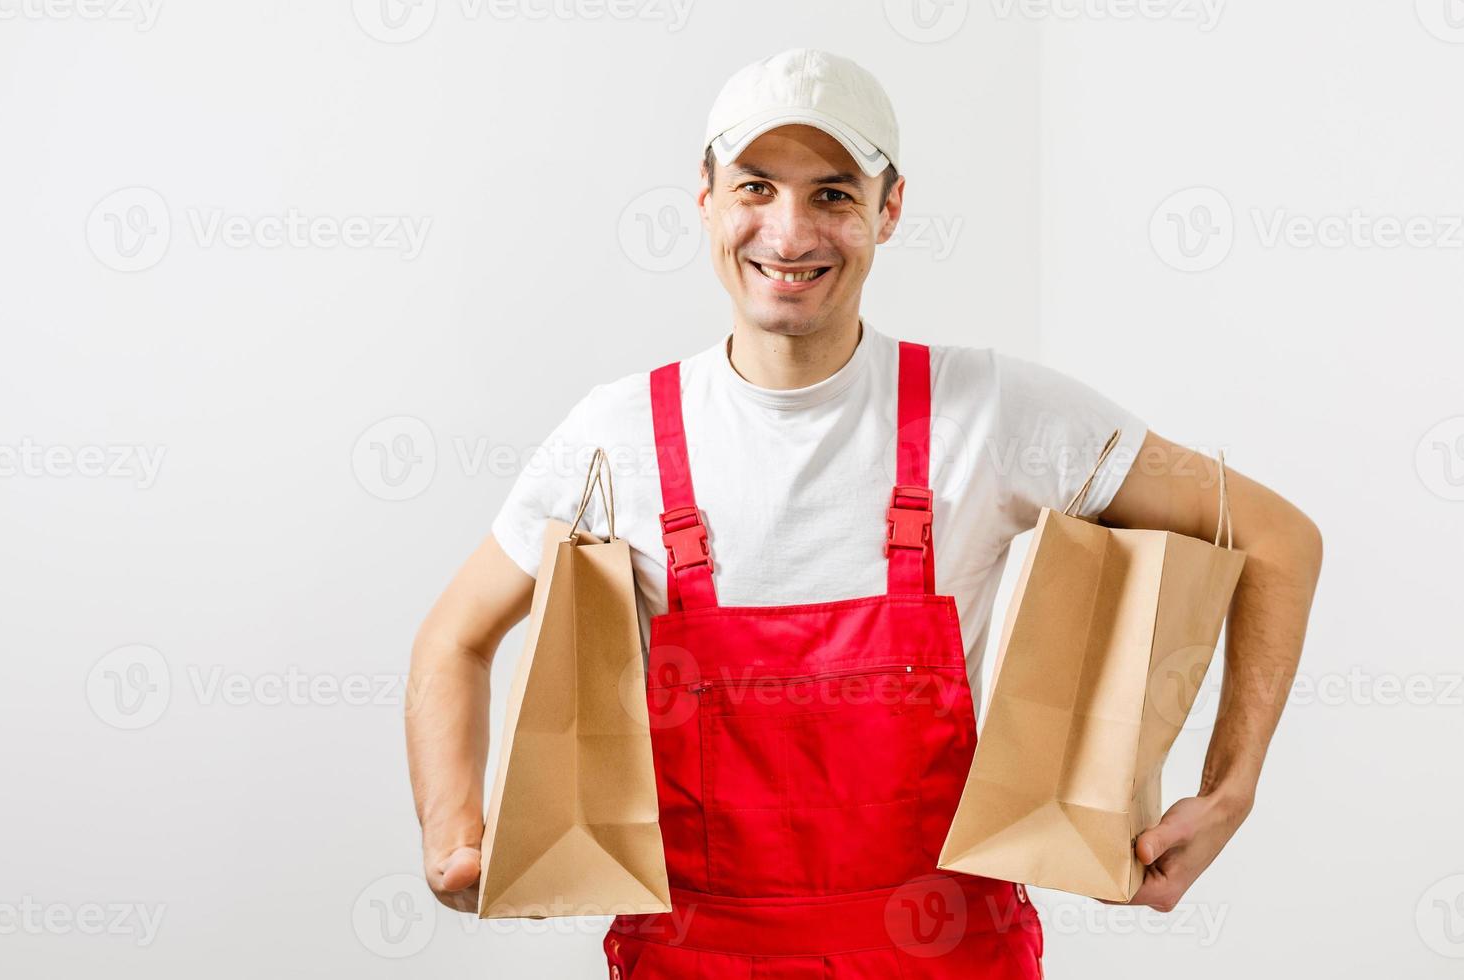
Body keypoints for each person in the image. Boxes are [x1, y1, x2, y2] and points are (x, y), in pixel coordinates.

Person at [405, 47, 1323, 978]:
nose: (790, 232)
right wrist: (457, 835)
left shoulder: (995, 411)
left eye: (835, 194)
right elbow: (454, 640)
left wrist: (1230, 791)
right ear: (707, 199)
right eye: (756, 186)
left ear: (889, 208)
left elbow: (1276, 537)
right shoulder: (615, 437)